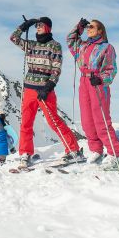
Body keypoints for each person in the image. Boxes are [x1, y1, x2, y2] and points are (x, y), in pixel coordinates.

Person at [11, 17, 82, 168]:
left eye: (40, 25)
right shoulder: (31, 44)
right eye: (36, 25)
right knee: (26, 122)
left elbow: (56, 69)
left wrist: (48, 87)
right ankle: (25, 153)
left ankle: (74, 150)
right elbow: (13, 38)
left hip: (45, 90)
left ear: (48, 28)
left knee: (53, 121)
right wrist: (24, 26)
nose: (37, 27)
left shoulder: (54, 46)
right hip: (29, 88)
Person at [67, 18, 119, 167]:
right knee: (87, 120)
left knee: (101, 119)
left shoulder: (107, 47)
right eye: (87, 27)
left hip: (97, 83)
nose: (88, 29)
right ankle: (96, 150)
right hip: (84, 82)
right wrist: (79, 27)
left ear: (100, 31)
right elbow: (70, 40)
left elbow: (111, 69)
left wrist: (101, 79)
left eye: (92, 27)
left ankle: (115, 153)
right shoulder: (82, 46)